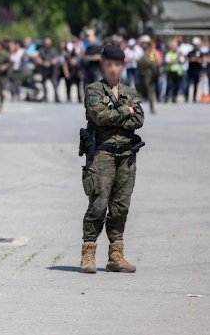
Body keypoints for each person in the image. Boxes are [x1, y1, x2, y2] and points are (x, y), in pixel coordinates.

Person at [80, 44, 144, 274]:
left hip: (126, 154)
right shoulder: (93, 90)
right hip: (102, 154)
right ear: (103, 65)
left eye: (117, 65)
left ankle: (116, 255)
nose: (113, 69)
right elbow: (99, 117)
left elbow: (138, 119)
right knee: (98, 204)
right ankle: (88, 253)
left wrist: (120, 115)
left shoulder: (130, 92)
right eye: (109, 65)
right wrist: (124, 112)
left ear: (122, 66)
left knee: (120, 206)